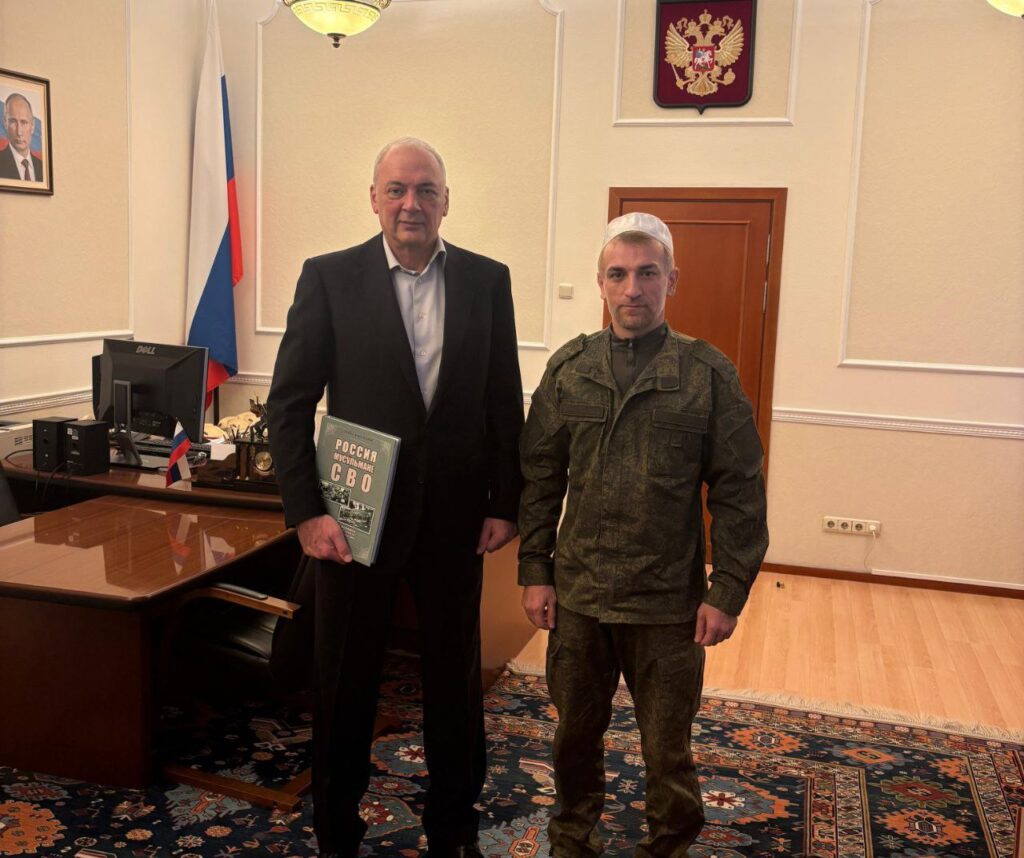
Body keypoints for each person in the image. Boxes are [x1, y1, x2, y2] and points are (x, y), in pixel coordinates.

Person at [267, 137, 523, 858]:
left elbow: (504, 401)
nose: (412, 203)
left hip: (455, 522)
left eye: (426, 189)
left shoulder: (486, 280)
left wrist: (505, 501)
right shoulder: (329, 278)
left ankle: (453, 828)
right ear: (374, 198)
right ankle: (337, 831)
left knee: (454, 682)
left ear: (446, 200)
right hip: (354, 523)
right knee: (343, 681)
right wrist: (306, 513)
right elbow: (289, 405)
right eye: (397, 189)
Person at [517, 212, 768, 857]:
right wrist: (535, 570)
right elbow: (539, 475)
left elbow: (740, 489)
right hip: (580, 597)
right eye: (618, 274)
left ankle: (671, 844)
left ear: (671, 281)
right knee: (574, 736)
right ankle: (573, 837)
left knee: (667, 746)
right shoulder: (570, 369)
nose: (633, 289)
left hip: (667, 603)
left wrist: (727, 590)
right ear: (600, 283)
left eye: (648, 273)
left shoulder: (707, 374)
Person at [1, 94, 43, 181]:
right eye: (13, 122)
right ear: (5, 123)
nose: (19, 132)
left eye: (24, 122)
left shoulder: (42, 168)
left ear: (33, 126)